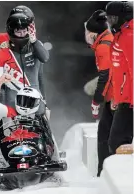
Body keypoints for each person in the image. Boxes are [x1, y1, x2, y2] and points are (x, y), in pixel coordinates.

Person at [0, 5, 50, 126]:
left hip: (32, 97)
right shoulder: (1, 38)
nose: (23, 30)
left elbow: (40, 73)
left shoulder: (34, 43)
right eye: (19, 28)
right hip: (9, 95)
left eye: (27, 25)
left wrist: (44, 101)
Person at [84, 10, 115, 176]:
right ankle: (103, 171)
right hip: (116, 96)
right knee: (106, 133)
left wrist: (96, 100)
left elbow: (106, 76)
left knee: (106, 135)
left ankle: (104, 172)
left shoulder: (104, 46)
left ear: (94, 33)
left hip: (117, 98)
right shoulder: (107, 41)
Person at [103, 1, 133, 155]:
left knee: (117, 142)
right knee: (117, 142)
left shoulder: (129, 36)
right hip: (125, 99)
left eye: (113, 18)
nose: (110, 22)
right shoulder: (121, 34)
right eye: (109, 18)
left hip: (130, 101)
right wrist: (116, 96)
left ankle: (124, 177)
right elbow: (119, 72)